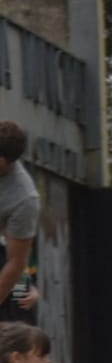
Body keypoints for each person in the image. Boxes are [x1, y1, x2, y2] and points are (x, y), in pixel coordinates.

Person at [0, 123, 38, 315]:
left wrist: (31, 285)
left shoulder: (23, 199)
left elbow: (16, 263)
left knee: (20, 302)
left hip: (7, 266)